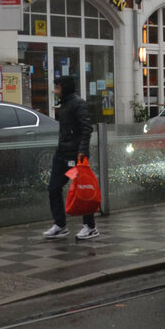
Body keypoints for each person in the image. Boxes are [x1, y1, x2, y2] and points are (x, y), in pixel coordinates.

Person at [43, 75, 99, 240]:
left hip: (75, 156)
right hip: (62, 154)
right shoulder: (66, 103)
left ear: (65, 88)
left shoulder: (78, 103)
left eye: (58, 87)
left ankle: (90, 227)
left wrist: (81, 151)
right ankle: (60, 225)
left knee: (82, 189)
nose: (55, 91)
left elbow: (86, 128)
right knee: (53, 188)